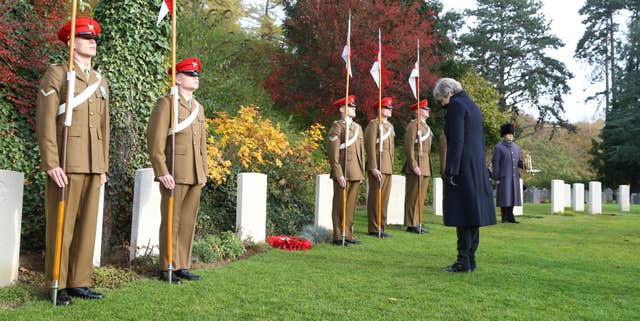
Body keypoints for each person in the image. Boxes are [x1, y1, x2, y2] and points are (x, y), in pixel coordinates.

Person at [36, 17, 109, 305]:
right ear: (70, 42)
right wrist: (51, 163)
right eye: (85, 37)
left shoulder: (100, 81)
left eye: (94, 39)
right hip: (66, 162)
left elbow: (104, 127)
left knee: (87, 226)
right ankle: (58, 283)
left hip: (92, 163)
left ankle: (80, 281)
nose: (92, 42)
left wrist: (102, 165)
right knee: (61, 226)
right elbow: (44, 123)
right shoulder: (57, 75)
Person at [148, 57, 208, 283]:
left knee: (187, 222)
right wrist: (162, 171)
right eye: (191, 75)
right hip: (174, 171)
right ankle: (167, 266)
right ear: (178, 79)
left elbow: (202, 143)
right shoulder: (167, 104)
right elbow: (155, 141)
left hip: (194, 173)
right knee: (171, 220)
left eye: (196, 75)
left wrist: (203, 171)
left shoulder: (198, 108)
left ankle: (182, 264)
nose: (196, 78)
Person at [434, 77, 496, 272]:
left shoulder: (456, 106)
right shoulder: (473, 106)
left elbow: (457, 141)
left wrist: (451, 169)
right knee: (472, 215)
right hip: (476, 166)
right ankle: (470, 259)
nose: (443, 104)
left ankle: (463, 260)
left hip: (462, 166)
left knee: (462, 214)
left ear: (449, 93)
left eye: (442, 100)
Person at [327, 95, 365, 246]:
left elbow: (361, 152)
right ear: (343, 109)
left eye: (354, 106)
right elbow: (333, 153)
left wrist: (361, 172)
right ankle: (338, 235)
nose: (354, 108)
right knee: (339, 205)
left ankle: (348, 234)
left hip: (355, 171)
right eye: (351, 106)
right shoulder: (338, 126)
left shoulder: (357, 128)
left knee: (350, 206)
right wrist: (338, 173)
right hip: (343, 171)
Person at [364, 97, 395, 238]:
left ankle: (381, 226)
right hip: (378, 165)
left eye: (390, 108)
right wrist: (373, 166)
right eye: (387, 108)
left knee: (384, 199)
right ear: (380, 110)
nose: (390, 110)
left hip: (387, 165)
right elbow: (370, 147)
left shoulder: (389, 126)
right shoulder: (374, 125)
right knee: (376, 198)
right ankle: (374, 227)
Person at [403, 99, 432, 234]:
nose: (428, 111)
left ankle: (418, 221)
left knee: (420, 196)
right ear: (418, 111)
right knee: (413, 195)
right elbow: (409, 147)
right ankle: (411, 223)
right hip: (417, 164)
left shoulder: (425, 126)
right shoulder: (414, 125)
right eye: (425, 109)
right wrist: (413, 164)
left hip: (425, 164)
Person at [492, 122, 524, 223]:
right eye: (508, 134)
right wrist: (496, 178)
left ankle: (511, 216)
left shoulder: (516, 147)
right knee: (504, 197)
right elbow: (496, 163)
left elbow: (519, 161)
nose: (510, 136)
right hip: (504, 176)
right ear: (504, 135)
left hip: (514, 176)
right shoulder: (499, 147)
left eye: (511, 134)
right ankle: (504, 217)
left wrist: (525, 164)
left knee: (513, 197)